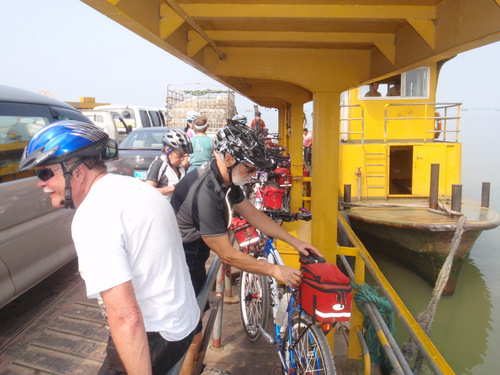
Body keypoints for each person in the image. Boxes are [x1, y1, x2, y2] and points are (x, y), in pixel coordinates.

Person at [18, 121, 200, 375]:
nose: (40, 183)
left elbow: (126, 317)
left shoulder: (93, 215)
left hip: (158, 336)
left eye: (45, 173)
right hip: (185, 322)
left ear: (76, 170)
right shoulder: (132, 187)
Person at [171, 120, 322, 375]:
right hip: (179, 265)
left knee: (198, 332)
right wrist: (275, 272)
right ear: (229, 158)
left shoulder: (224, 181)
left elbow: (254, 214)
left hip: (193, 261)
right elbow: (227, 254)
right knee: (191, 338)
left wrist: (295, 242)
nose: (253, 175)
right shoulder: (205, 192)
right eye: (250, 168)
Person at [145, 127, 193, 200]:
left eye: (184, 155)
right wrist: (173, 188)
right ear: (168, 150)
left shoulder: (180, 167)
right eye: (179, 155)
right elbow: (148, 190)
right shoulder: (159, 164)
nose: (182, 159)